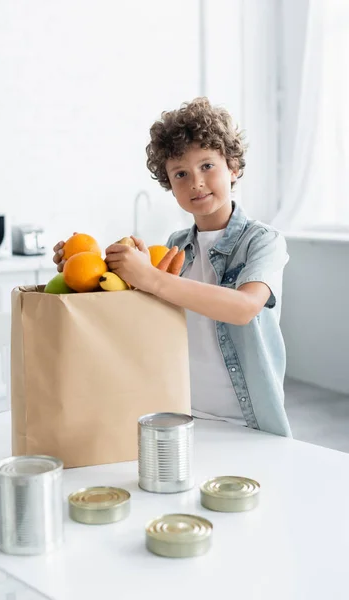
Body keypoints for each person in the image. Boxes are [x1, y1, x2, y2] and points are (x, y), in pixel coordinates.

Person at [53, 97, 292, 437]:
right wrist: (79, 268)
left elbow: (243, 308)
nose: (195, 181)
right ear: (169, 184)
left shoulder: (263, 241)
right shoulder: (176, 244)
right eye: (181, 173)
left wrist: (150, 277)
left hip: (247, 421)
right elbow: (148, 314)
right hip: (181, 411)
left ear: (233, 166)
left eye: (207, 166)